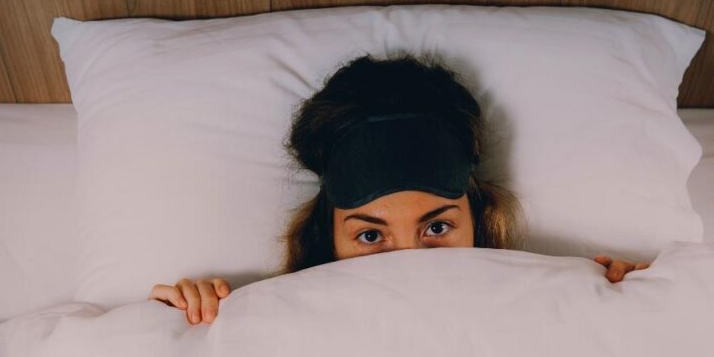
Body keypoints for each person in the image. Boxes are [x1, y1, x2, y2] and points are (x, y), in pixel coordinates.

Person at [149, 53, 649, 325]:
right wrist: (181, 320)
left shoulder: (546, 307)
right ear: (330, 237)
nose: (410, 261)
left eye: (437, 226)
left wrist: (639, 302)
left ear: (476, 218)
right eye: (371, 236)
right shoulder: (271, 320)